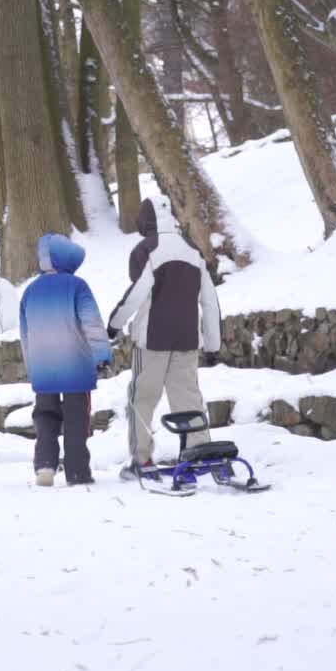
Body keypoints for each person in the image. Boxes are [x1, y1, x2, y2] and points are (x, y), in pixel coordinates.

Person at [106, 198, 221, 479]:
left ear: (145, 222)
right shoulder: (193, 251)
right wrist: (213, 344)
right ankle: (199, 451)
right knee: (188, 398)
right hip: (187, 339)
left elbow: (138, 292)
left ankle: (142, 461)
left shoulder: (147, 249)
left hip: (152, 339)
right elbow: (209, 301)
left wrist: (114, 324)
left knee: (141, 398)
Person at [19, 233, 112, 487]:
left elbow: (25, 335)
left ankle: (45, 466)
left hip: (43, 368)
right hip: (75, 365)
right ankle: (77, 471)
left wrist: (33, 370)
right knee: (76, 418)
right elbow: (92, 323)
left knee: (45, 415)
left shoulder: (30, 291)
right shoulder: (77, 286)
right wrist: (101, 355)